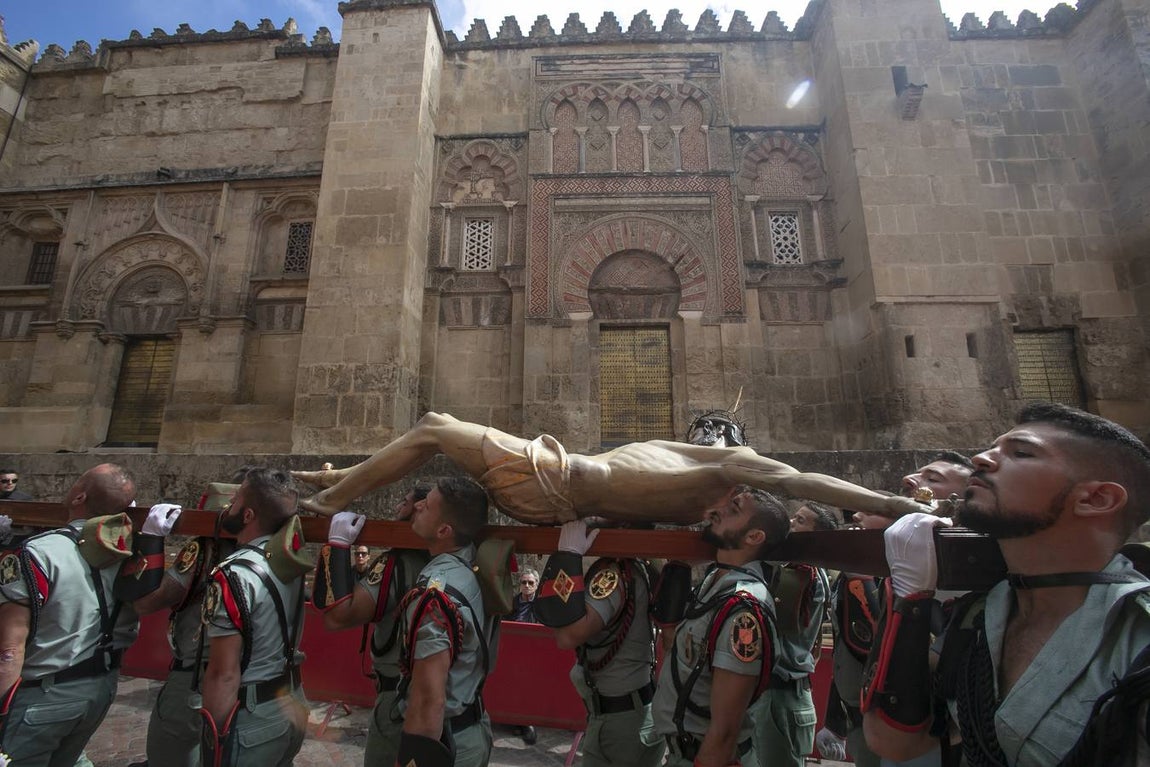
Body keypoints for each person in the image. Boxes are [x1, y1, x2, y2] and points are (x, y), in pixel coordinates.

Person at [862, 403, 1150, 766]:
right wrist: (909, 598)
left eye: (1022, 452)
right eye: (991, 448)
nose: (980, 459)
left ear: (1096, 499)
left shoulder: (1139, 638)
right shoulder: (978, 616)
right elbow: (894, 743)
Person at [292, 412, 924, 525]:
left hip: (549, 479)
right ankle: (341, 480)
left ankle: (331, 497)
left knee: (432, 425)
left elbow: (804, 482)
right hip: (554, 485)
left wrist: (896, 504)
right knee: (430, 434)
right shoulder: (697, 476)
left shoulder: (733, 470)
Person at [818, 452, 974, 767]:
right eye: (917, 474)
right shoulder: (896, 574)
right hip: (892, 729)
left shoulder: (979, 586)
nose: (909, 480)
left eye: (933, 478)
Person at [0, 463, 137, 767]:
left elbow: (9, 649)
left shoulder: (37, 552)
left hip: (43, 693)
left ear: (79, 497)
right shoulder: (130, 552)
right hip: (99, 686)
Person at [652, 486, 791, 767]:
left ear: (754, 537)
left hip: (709, 757)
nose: (717, 512)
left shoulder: (744, 610)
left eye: (734, 509)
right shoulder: (714, 583)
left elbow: (725, 730)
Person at [124, 471, 249, 767]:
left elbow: (148, 602)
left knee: (171, 751)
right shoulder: (272, 551)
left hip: (197, 675)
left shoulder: (206, 549)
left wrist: (150, 541)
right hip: (251, 678)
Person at [199, 468, 311, 767]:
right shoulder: (290, 565)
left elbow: (223, 673)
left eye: (234, 499)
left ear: (248, 515)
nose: (228, 506)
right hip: (291, 703)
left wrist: (215, 745)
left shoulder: (233, 574)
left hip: (253, 716)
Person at [313, 483, 430, 767]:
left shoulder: (397, 564)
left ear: (417, 509)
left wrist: (337, 547)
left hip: (399, 701)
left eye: (402, 502)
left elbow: (336, 616)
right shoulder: (462, 561)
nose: (395, 509)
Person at [534, 520, 665, 767]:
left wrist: (568, 557)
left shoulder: (613, 575)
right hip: (615, 713)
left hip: (624, 722)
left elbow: (568, 637)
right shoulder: (637, 566)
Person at [394, 476, 493, 767]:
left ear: (443, 530)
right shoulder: (471, 566)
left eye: (428, 504)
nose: (418, 504)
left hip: (445, 740)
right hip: (470, 726)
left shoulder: (435, 593)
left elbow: (428, 702)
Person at [749, 505, 834, 767]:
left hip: (779, 695)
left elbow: (771, 628)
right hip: (784, 694)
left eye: (801, 520)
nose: (791, 522)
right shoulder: (807, 569)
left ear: (816, 535)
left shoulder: (799, 573)